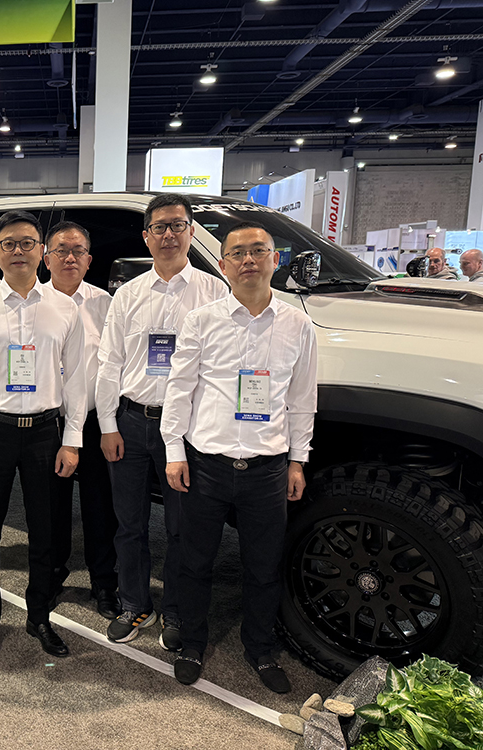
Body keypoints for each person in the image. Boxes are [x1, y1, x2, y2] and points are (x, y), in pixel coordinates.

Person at [161, 221, 318, 694]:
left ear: (275, 259)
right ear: (224, 265)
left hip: (268, 470)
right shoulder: (201, 320)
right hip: (206, 465)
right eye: (238, 253)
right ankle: (192, 644)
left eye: (258, 251)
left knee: (263, 568)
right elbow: (180, 388)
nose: (248, 260)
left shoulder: (298, 324)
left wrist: (297, 460)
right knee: (194, 563)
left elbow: (302, 398)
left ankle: (260, 649)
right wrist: (174, 451)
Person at [0, 209, 87, 662]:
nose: (17, 251)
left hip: (46, 434)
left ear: (41, 251)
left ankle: (39, 616)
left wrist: (72, 439)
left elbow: (76, 379)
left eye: (27, 242)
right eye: (8, 243)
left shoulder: (64, 308)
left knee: (45, 533)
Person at [96, 194, 228, 649]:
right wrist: (108, 425)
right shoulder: (128, 295)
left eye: (177, 225)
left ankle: (176, 609)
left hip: (188, 430)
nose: (168, 234)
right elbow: (109, 363)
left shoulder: (215, 293)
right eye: (159, 227)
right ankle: (134, 603)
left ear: (191, 232)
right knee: (129, 524)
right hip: (131, 424)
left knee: (180, 527)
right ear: (146, 236)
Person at [41, 221, 119, 620]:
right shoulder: (33, 302)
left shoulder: (106, 305)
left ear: (89, 260)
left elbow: (115, 365)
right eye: (61, 250)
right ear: (46, 258)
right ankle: (52, 576)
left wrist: (109, 423)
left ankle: (104, 583)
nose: (69, 258)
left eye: (78, 251)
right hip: (47, 423)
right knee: (50, 507)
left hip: (92, 420)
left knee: (100, 507)